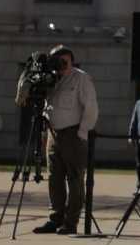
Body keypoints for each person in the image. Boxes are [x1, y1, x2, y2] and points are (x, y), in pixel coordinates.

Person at [32, 49, 96, 231]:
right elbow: (48, 105)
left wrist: (82, 133)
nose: (61, 65)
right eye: (57, 61)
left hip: (73, 134)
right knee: (54, 178)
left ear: (72, 62)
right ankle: (55, 218)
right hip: (54, 133)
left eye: (65, 62)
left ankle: (71, 222)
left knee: (75, 179)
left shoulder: (80, 78)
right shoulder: (52, 79)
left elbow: (91, 107)